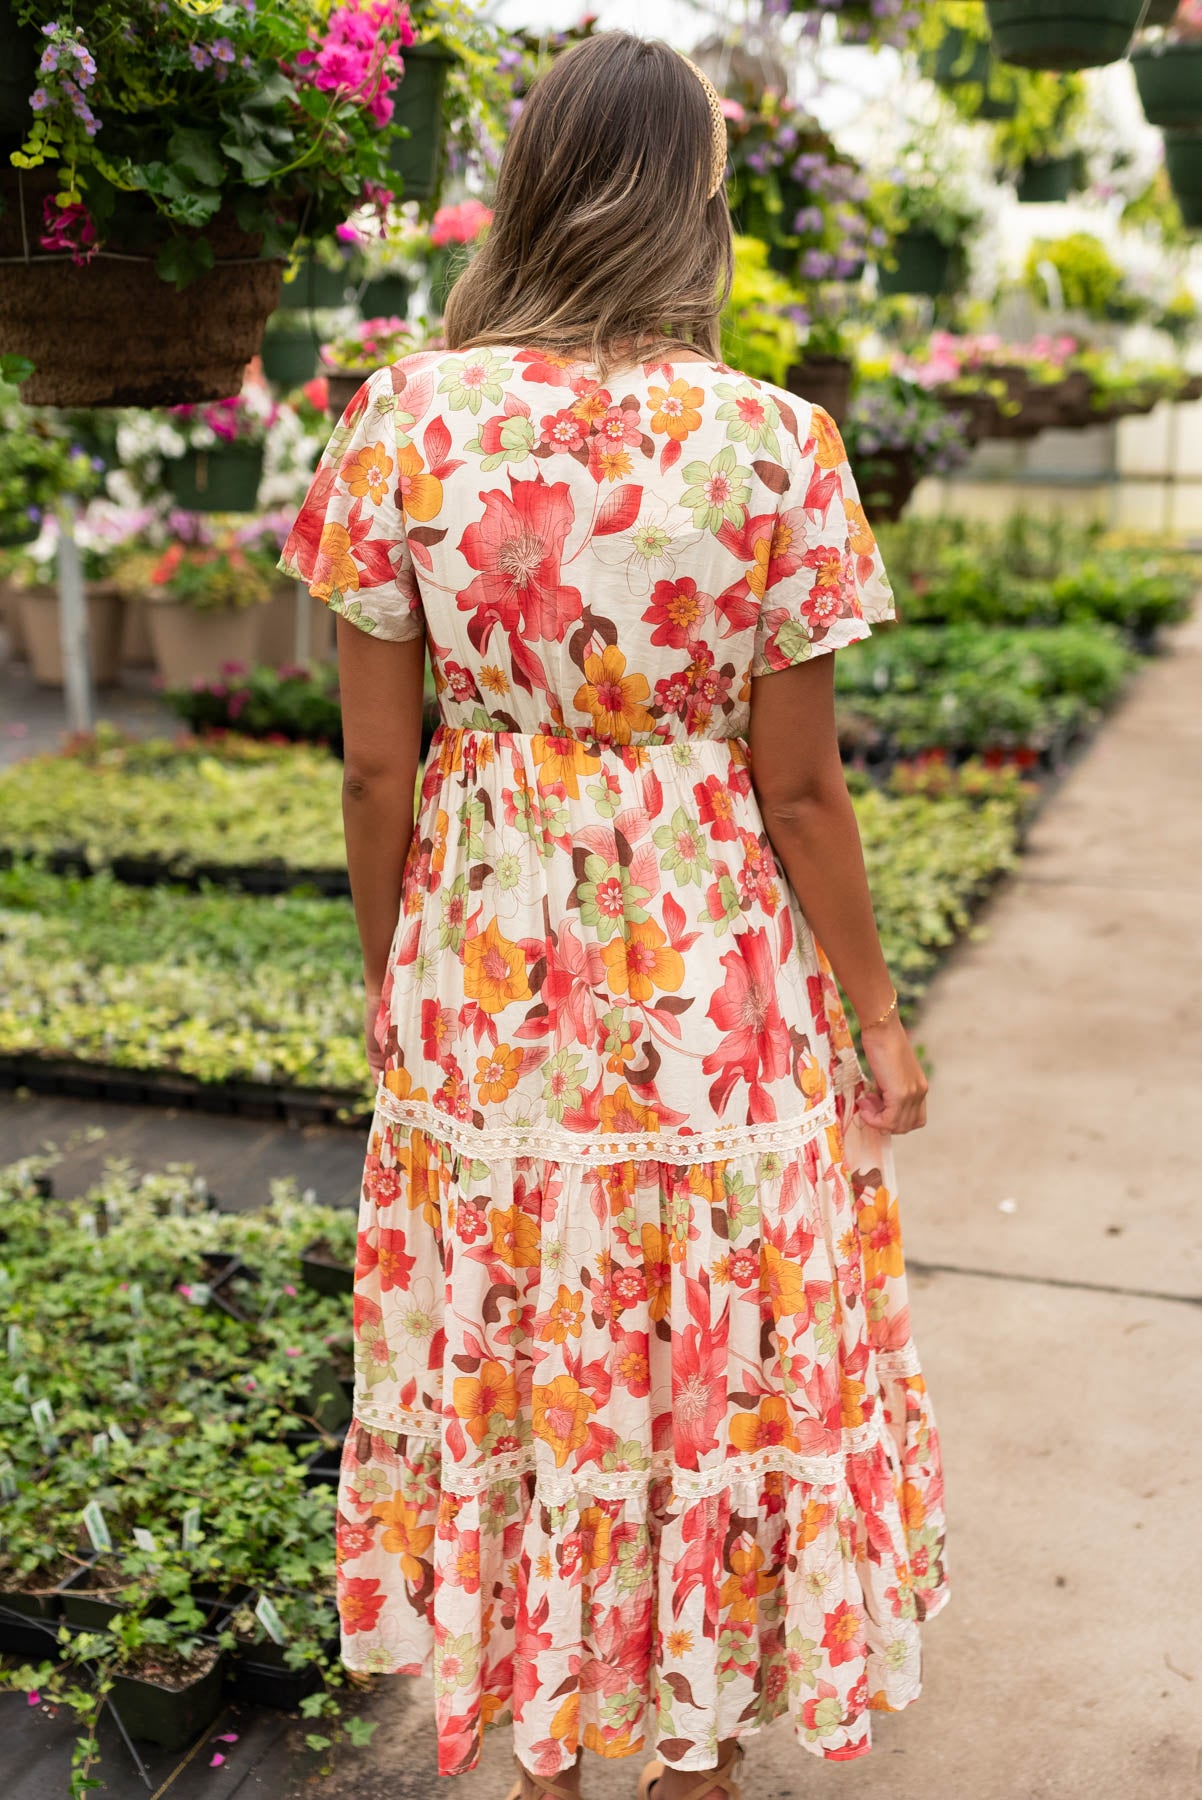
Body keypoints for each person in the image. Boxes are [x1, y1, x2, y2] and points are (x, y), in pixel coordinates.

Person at [280, 28, 947, 1800]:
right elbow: (801, 791)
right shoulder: (775, 444)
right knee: (703, 1346)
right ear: (694, 208)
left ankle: (547, 1744)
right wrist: (878, 1014)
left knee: (516, 1343)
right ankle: (693, 1750)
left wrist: (390, 979)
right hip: (710, 975)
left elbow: (370, 767)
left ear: (528, 184)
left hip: (476, 970)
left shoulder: (406, 418)